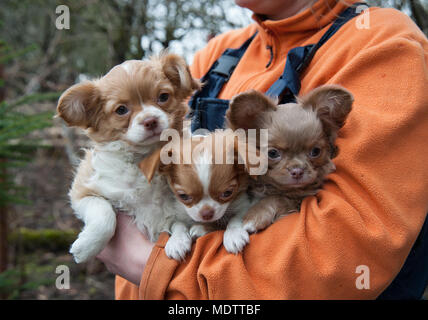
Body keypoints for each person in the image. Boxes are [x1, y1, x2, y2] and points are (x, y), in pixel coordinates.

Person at [97, 0, 428, 299]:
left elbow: (343, 256)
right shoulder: (219, 54)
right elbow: (151, 203)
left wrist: (152, 268)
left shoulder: (382, 44)